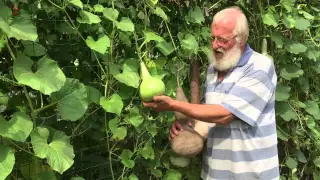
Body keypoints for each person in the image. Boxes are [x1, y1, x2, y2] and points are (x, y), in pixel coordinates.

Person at [143, 6, 279, 180]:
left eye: (223, 40)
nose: (215, 45)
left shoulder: (259, 67)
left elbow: (225, 115)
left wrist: (173, 105)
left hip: (252, 175)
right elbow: (207, 119)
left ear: (242, 39)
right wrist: (186, 128)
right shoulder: (214, 70)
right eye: (213, 38)